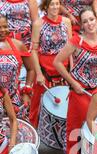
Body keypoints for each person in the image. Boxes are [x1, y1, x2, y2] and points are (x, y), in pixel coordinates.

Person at [53, 7, 97, 154]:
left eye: (92, 19)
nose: (89, 23)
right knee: (79, 130)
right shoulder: (76, 41)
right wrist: (73, 83)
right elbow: (57, 62)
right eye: (85, 21)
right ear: (81, 25)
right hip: (82, 93)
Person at [29, 0, 72, 128]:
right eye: (52, 4)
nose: (55, 7)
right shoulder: (39, 23)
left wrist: (72, 69)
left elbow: (71, 48)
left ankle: (61, 134)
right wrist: (38, 73)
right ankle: (33, 134)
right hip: (45, 68)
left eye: (57, 4)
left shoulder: (66, 22)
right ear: (46, 7)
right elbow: (34, 50)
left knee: (64, 101)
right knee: (37, 102)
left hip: (63, 67)